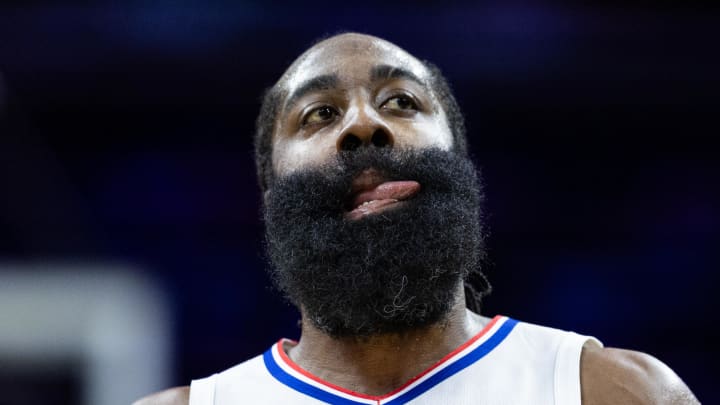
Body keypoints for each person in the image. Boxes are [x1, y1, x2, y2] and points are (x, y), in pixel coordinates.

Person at [135, 33, 698, 404]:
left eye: (401, 102)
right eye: (319, 114)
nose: (363, 125)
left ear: (457, 163)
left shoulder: (614, 392)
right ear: (270, 196)